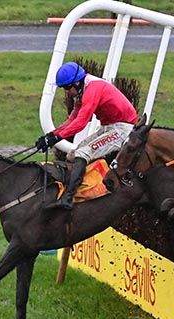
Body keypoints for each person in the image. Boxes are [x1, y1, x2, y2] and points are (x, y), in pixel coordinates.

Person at [35, 61, 138, 210]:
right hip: (109, 126)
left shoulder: (92, 89)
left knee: (82, 154)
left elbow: (81, 123)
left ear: (76, 83)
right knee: (72, 155)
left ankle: (68, 199)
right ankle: (79, 191)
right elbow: (72, 120)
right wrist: (50, 136)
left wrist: (56, 138)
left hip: (123, 129)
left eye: (67, 87)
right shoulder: (82, 90)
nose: (67, 92)